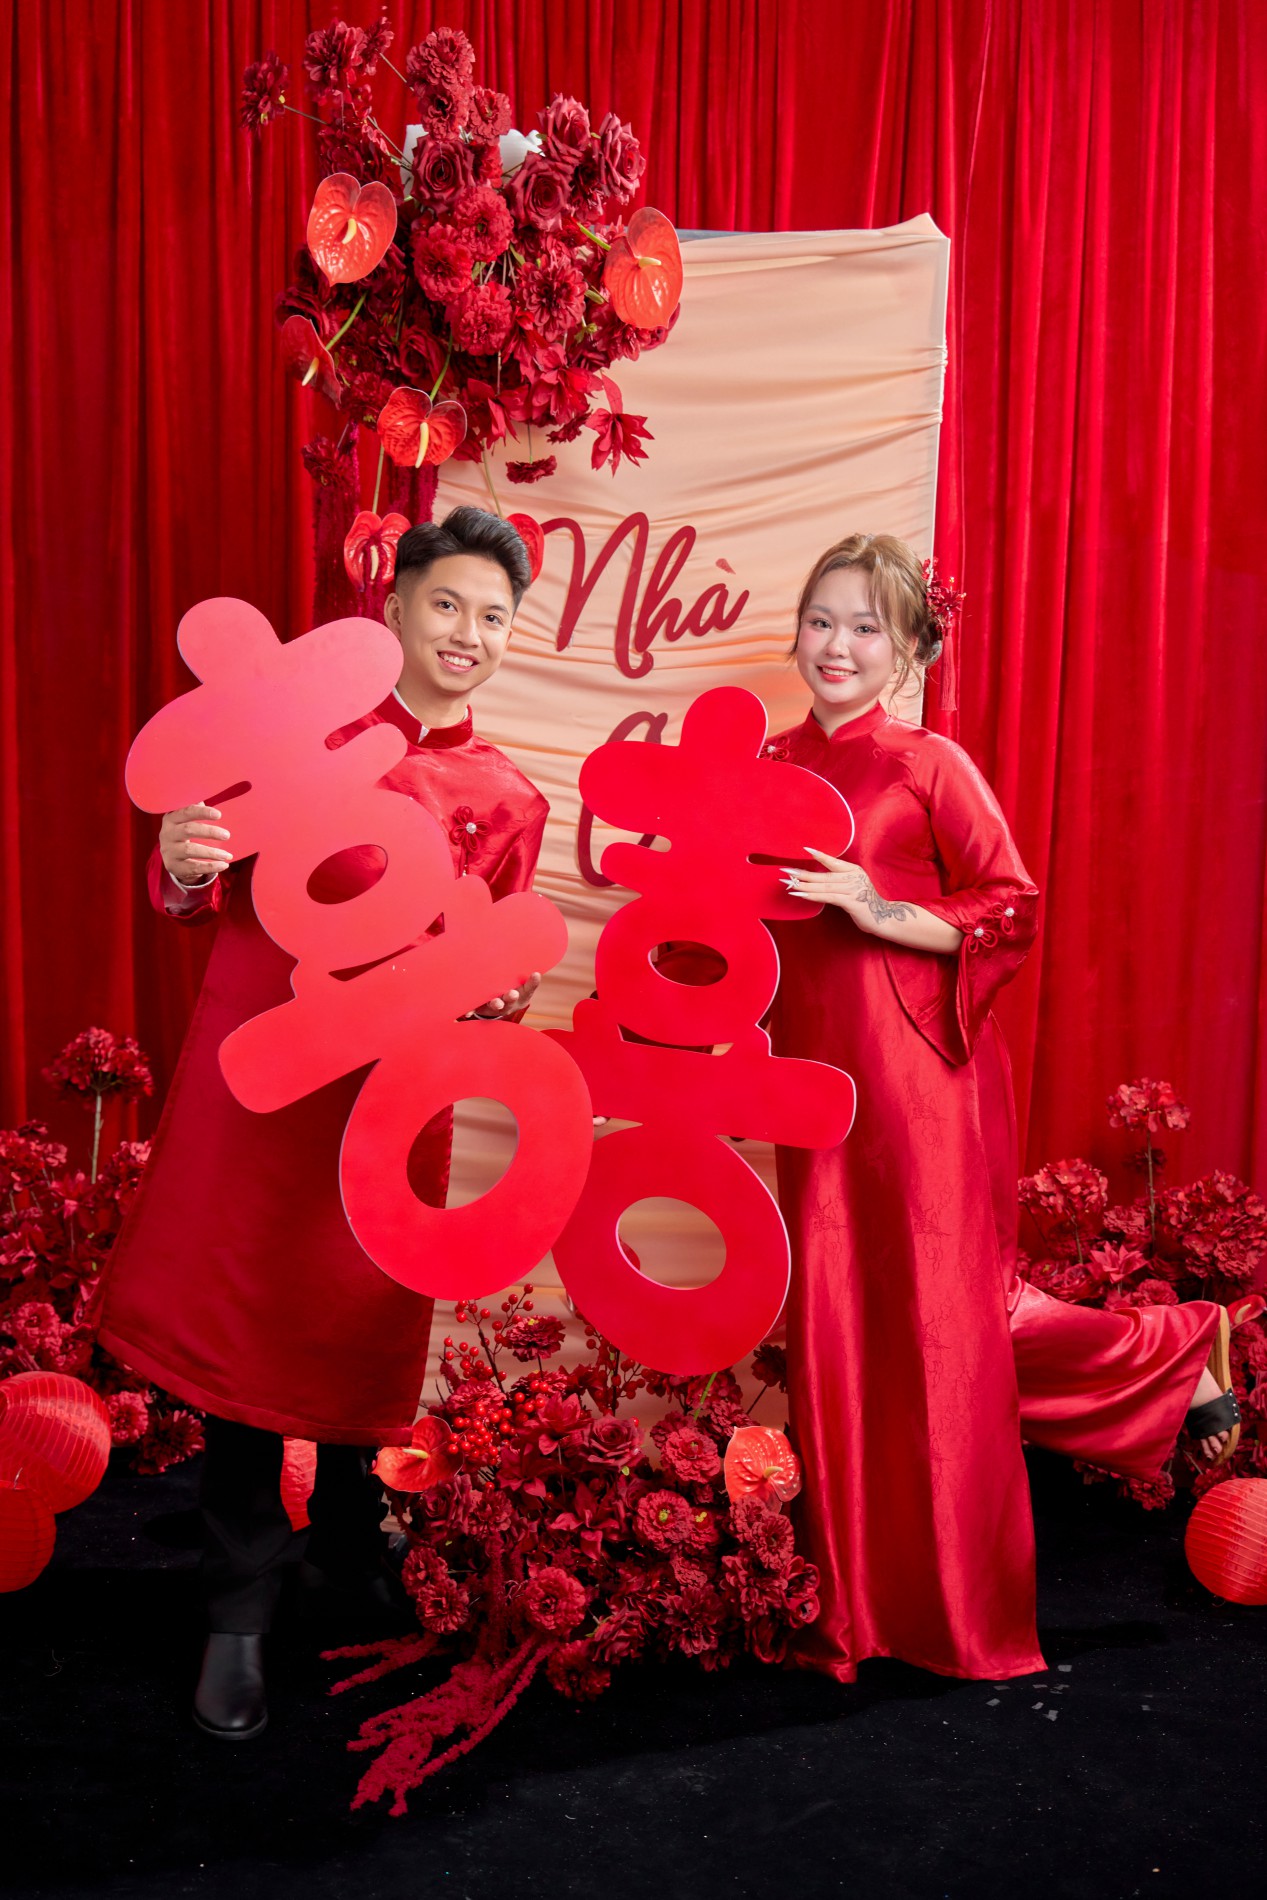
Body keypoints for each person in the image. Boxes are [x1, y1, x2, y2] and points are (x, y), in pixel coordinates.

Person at [96, 506, 547, 1739]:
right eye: (446, 603)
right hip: (271, 1086)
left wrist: (498, 995)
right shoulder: (302, 736)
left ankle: (349, 1551)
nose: (466, 632)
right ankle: (238, 1607)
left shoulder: (510, 796)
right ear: (393, 607)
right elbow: (191, 888)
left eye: (493, 615)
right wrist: (184, 859)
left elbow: (499, 963)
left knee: (357, 1322)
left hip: (392, 1103)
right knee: (247, 1328)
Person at [766, 532, 1241, 1684]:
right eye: (822, 620)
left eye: (866, 626)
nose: (838, 645)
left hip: (920, 1072)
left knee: (945, 1315)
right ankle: (860, 1607)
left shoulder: (929, 763)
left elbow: (1011, 907)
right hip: (809, 1077)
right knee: (839, 1315)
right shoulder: (768, 762)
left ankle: (960, 1596)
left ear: (909, 649)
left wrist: (877, 907)